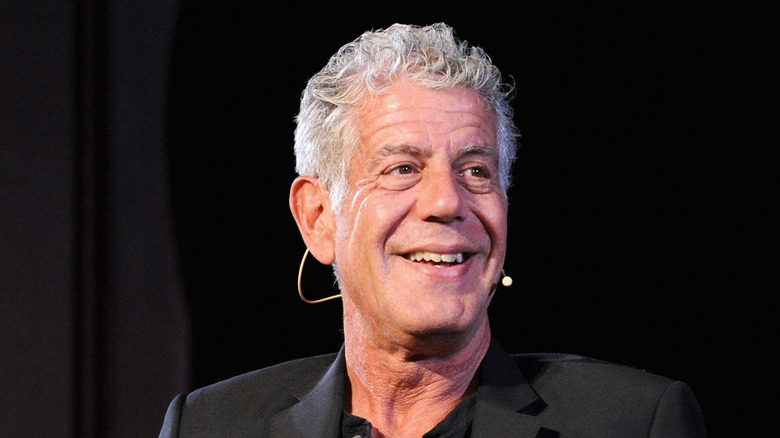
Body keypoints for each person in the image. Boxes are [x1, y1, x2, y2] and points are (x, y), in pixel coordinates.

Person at [158, 22, 707, 437]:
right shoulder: (209, 425)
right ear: (319, 218)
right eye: (402, 168)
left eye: (476, 171)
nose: (447, 201)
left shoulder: (634, 421)